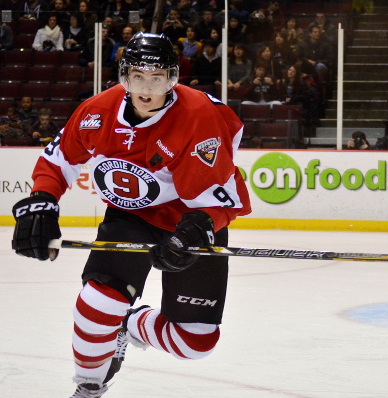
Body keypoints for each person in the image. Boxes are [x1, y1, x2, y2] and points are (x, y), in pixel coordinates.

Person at [11, 32, 251, 397]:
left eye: (158, 78)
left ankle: (130, 324)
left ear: (173, 78)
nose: (147, 88)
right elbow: (57, 161)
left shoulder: (200, 117)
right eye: (137, 76)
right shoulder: (96, 112)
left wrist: (196, 230)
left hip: (192, 220)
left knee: (196, 343)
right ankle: (89, 387)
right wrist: (42, 200)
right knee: (97, 300)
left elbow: (224, 198)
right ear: (124, 76)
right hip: (131, 215)